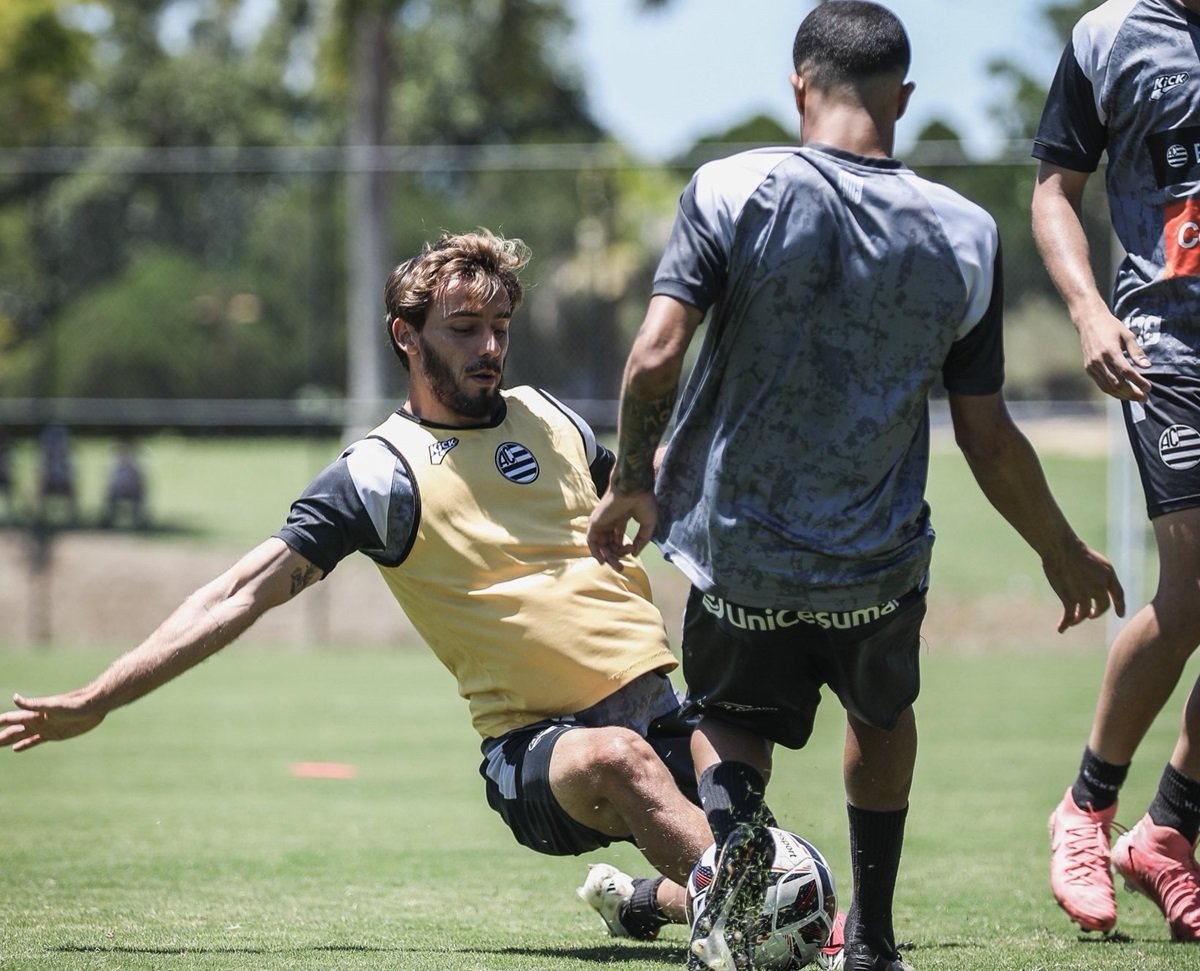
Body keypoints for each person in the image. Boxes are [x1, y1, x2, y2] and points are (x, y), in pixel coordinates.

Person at [586, 4, 1124, 970]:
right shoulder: (964, 233)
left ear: (800, 84)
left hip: (739, 552)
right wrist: (1060, 548)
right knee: (881, 719)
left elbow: (655, 353)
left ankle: (740, 880)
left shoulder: (731, 187)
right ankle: (871, 942)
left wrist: (630, 481)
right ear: (903, 99)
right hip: (874, 564)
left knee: (732, 718)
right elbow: (988, 433)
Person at [0, 230, 709, 946]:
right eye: (464, 330)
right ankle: (746, 901)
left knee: (773, 849)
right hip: (541, 750)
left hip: (660, 709)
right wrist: (99, 698)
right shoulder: (379, 472)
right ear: (405, 334)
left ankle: (648, 900)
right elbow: (238, 592)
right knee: (638, 773)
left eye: (499, 328)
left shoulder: (551, 418)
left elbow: (642, 498)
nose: (489, 347)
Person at [1033, 0, 1200, 943]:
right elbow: (1054, 190)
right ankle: (1088, 809)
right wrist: (1093, 313)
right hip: (1168, 348)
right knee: (1196, 590)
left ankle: (1169, 827)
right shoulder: (1110, 36)